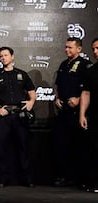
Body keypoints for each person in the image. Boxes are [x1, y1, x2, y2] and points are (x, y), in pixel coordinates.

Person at [0, 46, 36, 188]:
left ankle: (28, 179)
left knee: (24, 148)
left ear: (12, 57)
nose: (3, 58)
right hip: (3, 117)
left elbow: (32, 92)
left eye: (6, 55)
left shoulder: (22, 74)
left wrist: (31, 102)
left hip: (20, 115)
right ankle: (2, 179)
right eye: (1, 56)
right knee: (2, 149)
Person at [53, 37, 92, 187]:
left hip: (79, 112)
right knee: (62, 145)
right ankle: (65, 176)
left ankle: (81, 179)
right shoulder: (63, 64)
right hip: (63, 112)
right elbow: (57, 84)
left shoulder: (85, 65)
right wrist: (57, 98)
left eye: (70, 47)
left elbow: (89, 89)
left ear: (79, 49)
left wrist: (78, 99)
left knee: (80, 147)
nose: (67, 50)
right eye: (66, 47)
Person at [79, 37, 98, 192]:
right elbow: (85, 93)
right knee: (94, 150)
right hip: (95, 116)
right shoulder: (91, 71)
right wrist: (82, 114)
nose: (95, 52)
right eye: (93, 49)